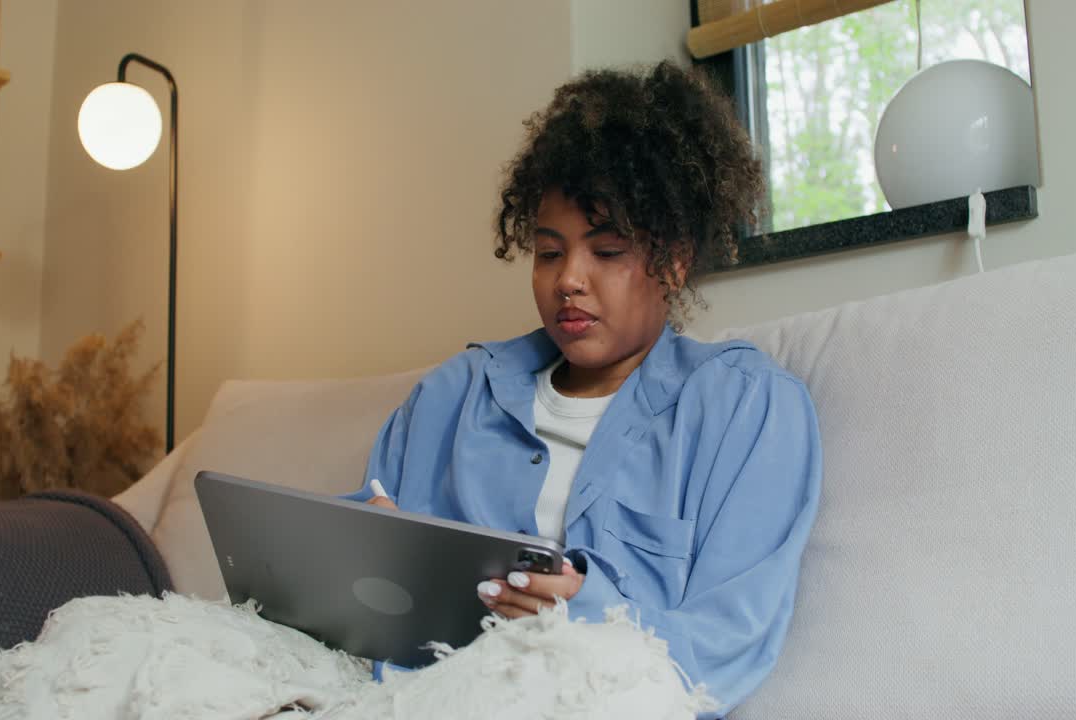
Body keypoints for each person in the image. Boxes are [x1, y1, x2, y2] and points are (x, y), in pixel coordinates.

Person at [342, 61, 821, 716]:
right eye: (548, 253)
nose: (568, 279)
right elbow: (354, 581)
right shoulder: (454, 393)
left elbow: (731, 638)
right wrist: (360, 543)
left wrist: (582, 611)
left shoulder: (748, 408)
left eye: (608, 250)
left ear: (674, 261)